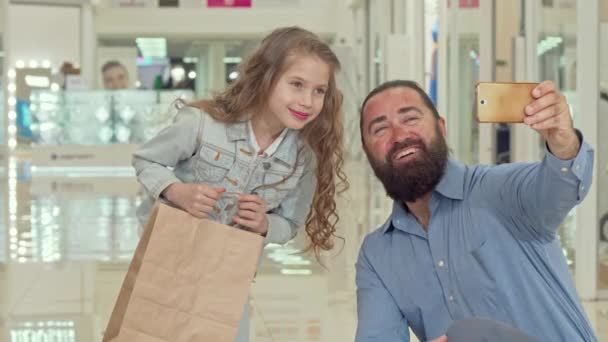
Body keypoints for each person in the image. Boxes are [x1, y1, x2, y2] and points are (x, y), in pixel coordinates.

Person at [132, 26, 347, 341]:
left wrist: (263, 224)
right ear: (266, 77)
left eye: (319, 90)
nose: (308, 101)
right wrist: (178, 192)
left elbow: (289, 223)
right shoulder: (202, 124)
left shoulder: (303, 158)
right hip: (168, 262)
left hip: (231, 274)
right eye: (297, 84)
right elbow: (145, 159)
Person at [355, 79, 597, 342]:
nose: (399, 136)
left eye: (411, 119)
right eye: (380, 129)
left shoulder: (500, 190)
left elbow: (560, 188)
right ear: (368, 152)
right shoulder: (378, 256)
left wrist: (563, 142)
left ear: (441, 128)